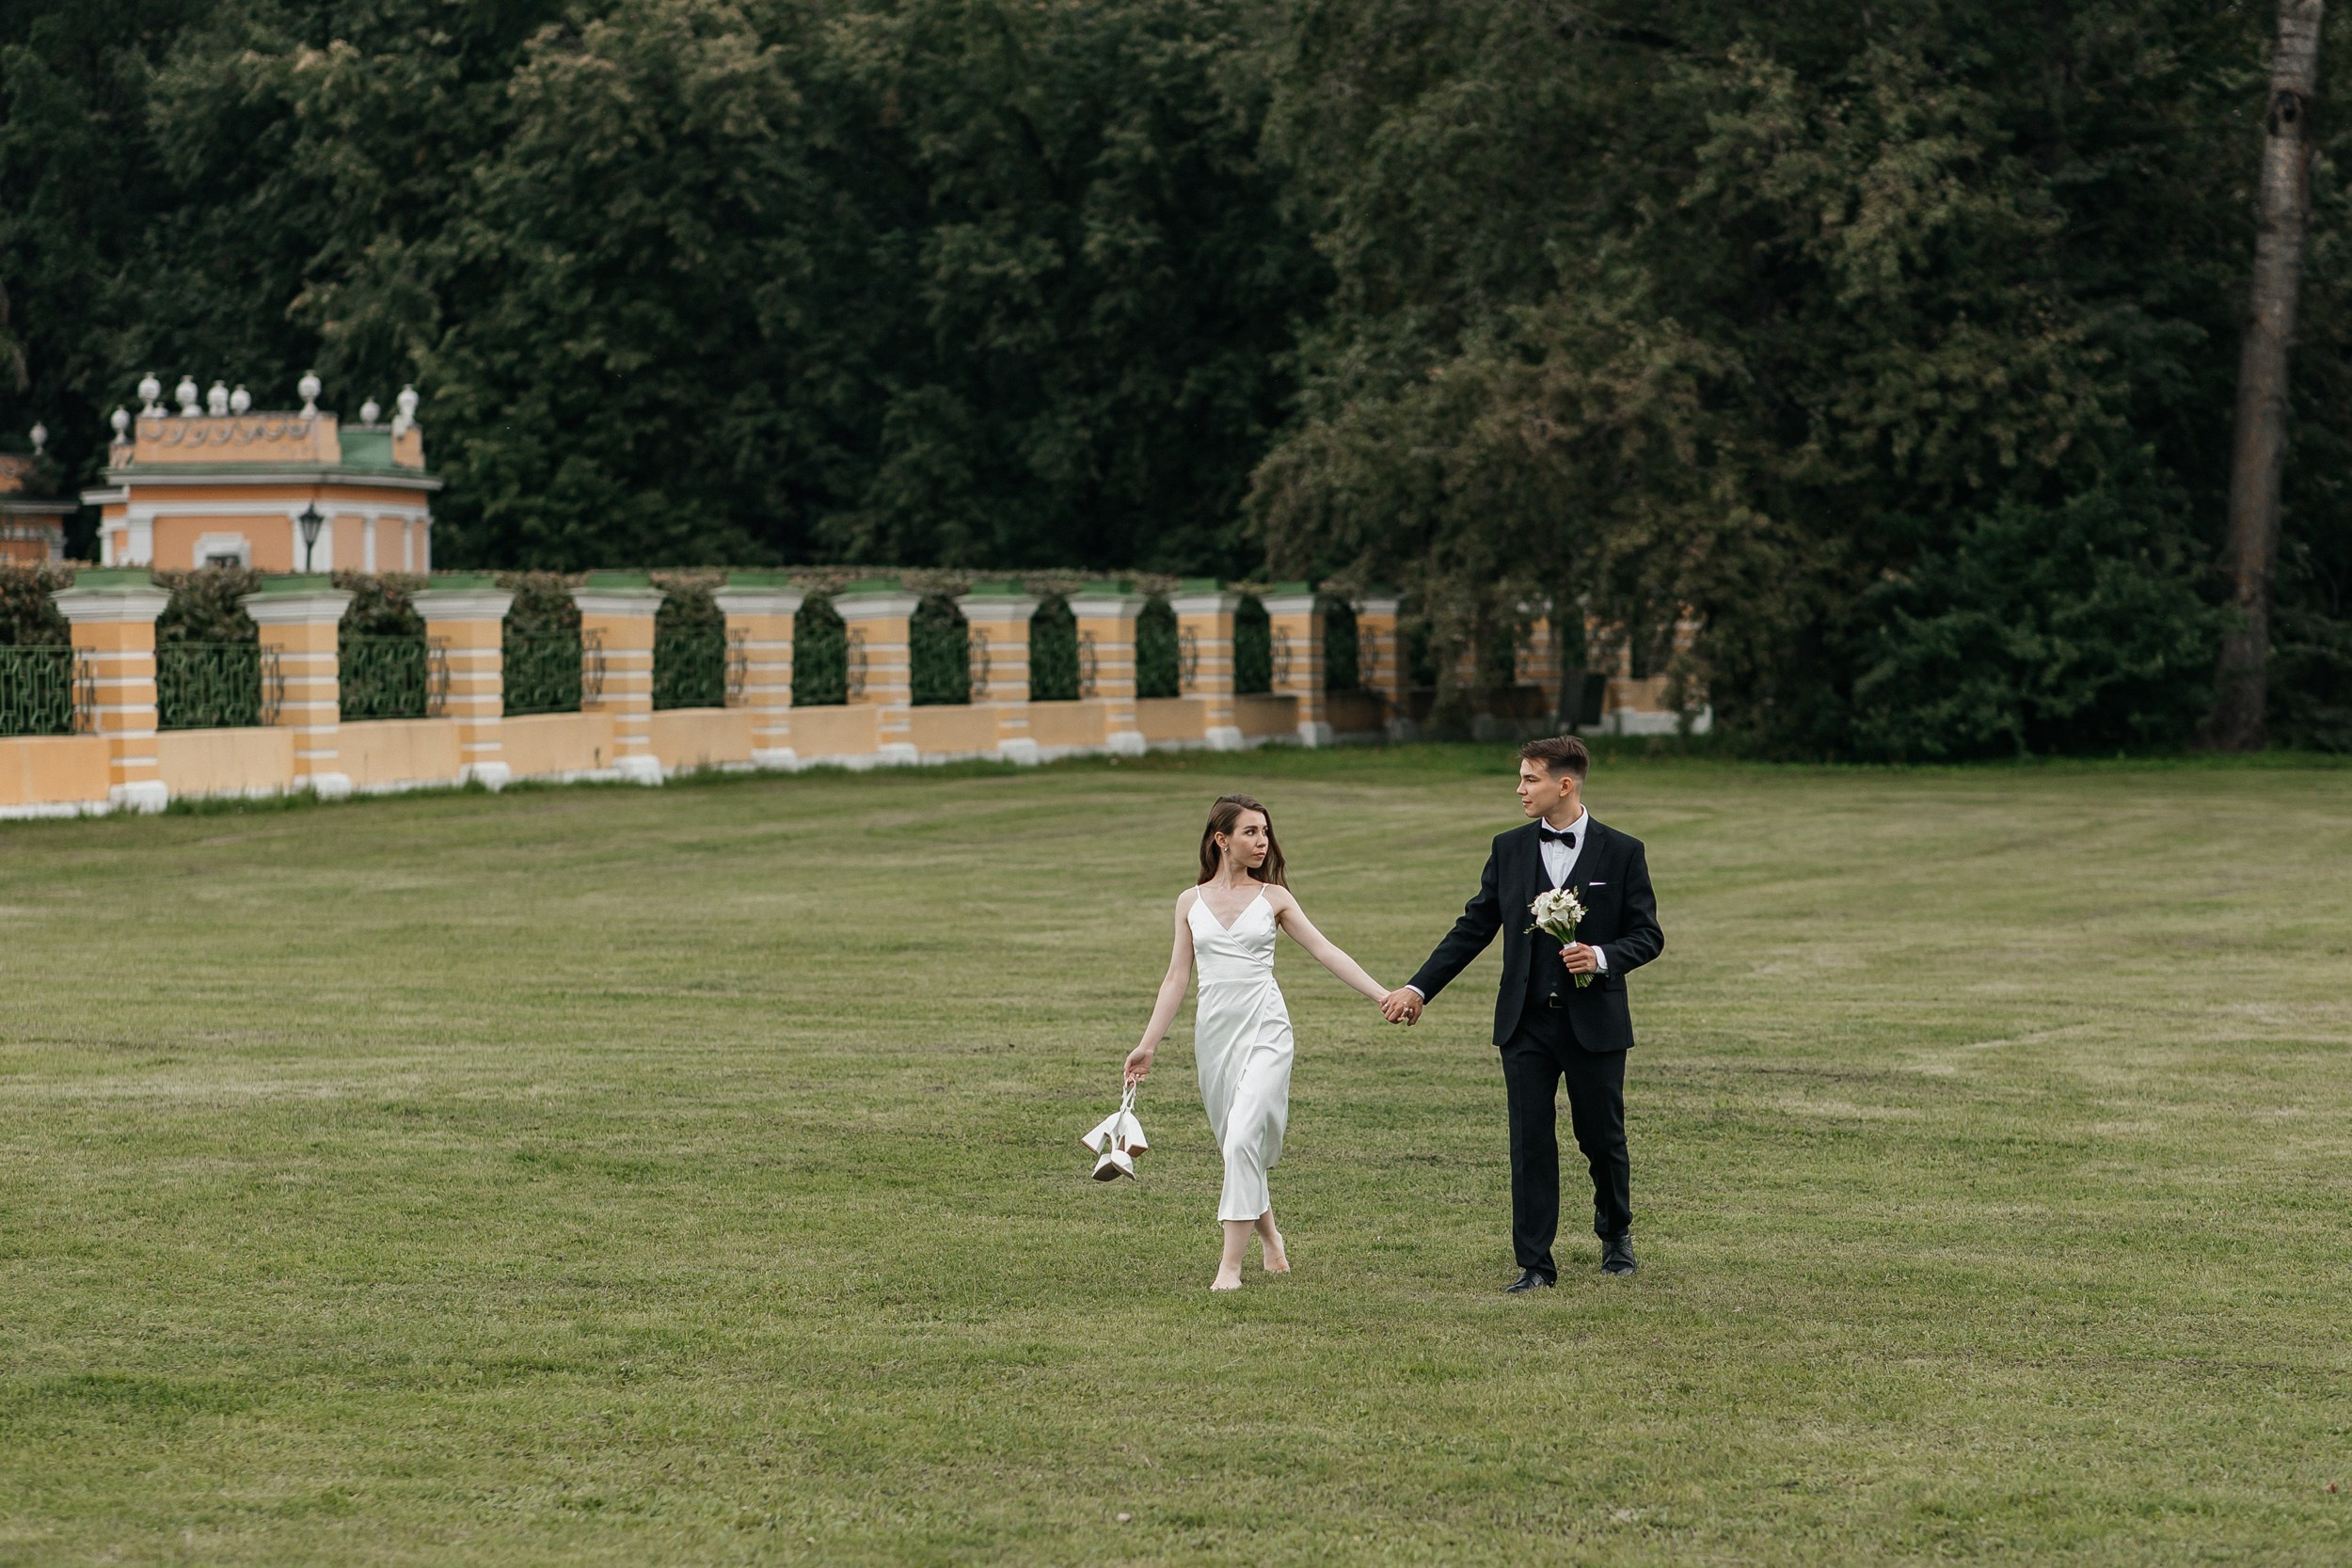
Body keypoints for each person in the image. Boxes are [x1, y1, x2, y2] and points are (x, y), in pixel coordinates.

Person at [1381, 736, 1663, 1290]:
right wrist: (1418, 988)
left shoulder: (1624, 851)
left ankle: (1615, 1233)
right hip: (1525, 1024)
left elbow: (1648, 935)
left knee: (1600, 1138)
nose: (1519, 789)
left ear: (1566, 784)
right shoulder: (1508, 849)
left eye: (1530, 779)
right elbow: (1474, 927)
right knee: (1529, 1141)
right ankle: (1535, 1264)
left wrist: (1601, 956)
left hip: (1595, 1026)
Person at [1124, 793, 1395, 1291]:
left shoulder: (1275, 898)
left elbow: (1324, 950)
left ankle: (1229, 1267)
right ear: (1221, 840)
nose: (1262, 842)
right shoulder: (1190, 901)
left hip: (1267, 1028)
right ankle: (1272, 1239)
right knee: (1235, 1144)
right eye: (1251, 832)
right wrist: (1148, 1044)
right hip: (1214, 1035)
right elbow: (1176, 978)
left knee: (1246, 1134)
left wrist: (1382, 994)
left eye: (1265, 832)